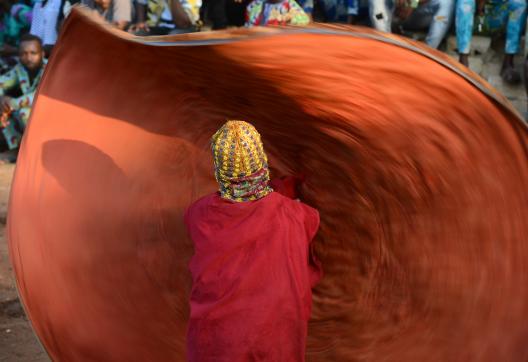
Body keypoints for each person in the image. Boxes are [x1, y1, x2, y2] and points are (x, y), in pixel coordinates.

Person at [184, 120, 322, 361]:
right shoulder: (298, 215)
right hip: (275, 350)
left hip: (213, 349)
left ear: (220, 170)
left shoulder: (198, 214)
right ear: (261, 162)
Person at [456, 0, 526, 83]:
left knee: (520, 3)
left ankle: (508, 63)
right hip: (472, 17)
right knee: (465, 2)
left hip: (495, 18)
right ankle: (463, 61)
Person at [0, 34, 46, 156]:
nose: (28, 57)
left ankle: (34, 154)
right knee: (3, 109)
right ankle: (16, 150)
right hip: (27, 109)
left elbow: (39, 96)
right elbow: (1, 82)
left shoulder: (50, 69)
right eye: (23, 54)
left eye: (33, 53)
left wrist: (11, 103)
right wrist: (2, 99)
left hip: (53, 115)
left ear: (42, 54)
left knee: (24, 113)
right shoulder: (20, 68)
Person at [369, 0, 455, 49]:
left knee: (446, 2)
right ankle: (385, 43)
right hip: (387, 13)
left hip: (415, 15)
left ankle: (429, 49)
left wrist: (413, 3)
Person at [130, 0, 201, 35]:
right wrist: (140, 21)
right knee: (135, 35)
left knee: (173, 38)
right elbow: (141, 1)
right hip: (154, 26)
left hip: (185, 27)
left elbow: (183, 24)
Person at [245, 0, 310, 26]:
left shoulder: (289, 3)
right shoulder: (257, 3)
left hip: (281, 41)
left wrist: (289, 18)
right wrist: (269, 18)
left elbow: (305, 19)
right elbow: (250, 25)